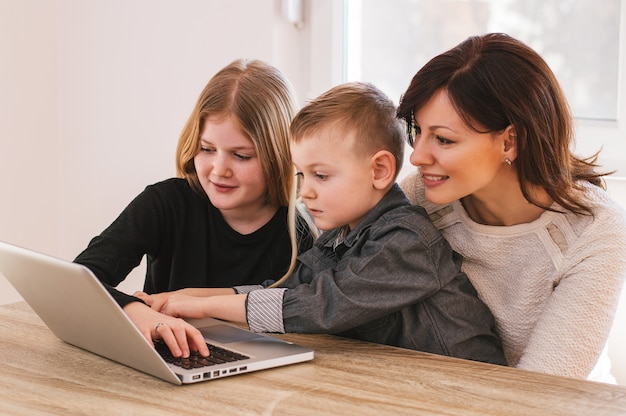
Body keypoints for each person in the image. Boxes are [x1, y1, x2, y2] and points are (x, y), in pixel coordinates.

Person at [139, 82, 507, 365]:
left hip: (470, 390)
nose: (305, 193)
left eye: (321, 176)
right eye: (301, 175)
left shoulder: (406, 240)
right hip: (407, 382)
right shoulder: (338, 235)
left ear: (379, 170)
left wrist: (205, 308)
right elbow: (286, 286)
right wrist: (180, 299)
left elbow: (321, 305)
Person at [396, 33, 626, 382]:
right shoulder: (420, 195)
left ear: (510, 140)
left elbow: (542, 389)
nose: (417, 156)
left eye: (443, 139)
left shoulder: (595, 228)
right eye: (417, 131)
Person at [74, 59, 317, 359]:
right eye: (207, 149)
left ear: (279, 155)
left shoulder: (302, 232)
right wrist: (137, 312)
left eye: (241, 156)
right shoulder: (166, 203)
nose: (219, 170)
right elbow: (82, 278)